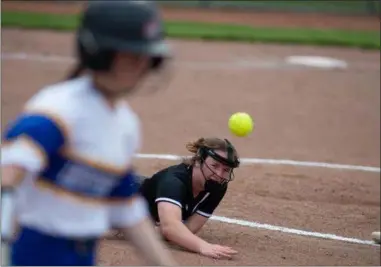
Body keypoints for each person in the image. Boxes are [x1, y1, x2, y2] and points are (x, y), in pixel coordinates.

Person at [1, 1, 177, 266]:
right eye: (132, 56)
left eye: (147, 59)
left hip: (82, 257)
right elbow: (8, 171)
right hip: (35, 254)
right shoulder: (59, 110)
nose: (142, 67)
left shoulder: (125, 124)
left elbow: (128, 210)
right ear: (99, 54)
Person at [111, 137, 240, 259]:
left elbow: (189, 229)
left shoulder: (218, 186)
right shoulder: (173, 181)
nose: (219, 174)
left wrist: (151, 231)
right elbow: (171, 229)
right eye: (214, 166)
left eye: (226, 170)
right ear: (198, 161)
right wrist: (204, 246)